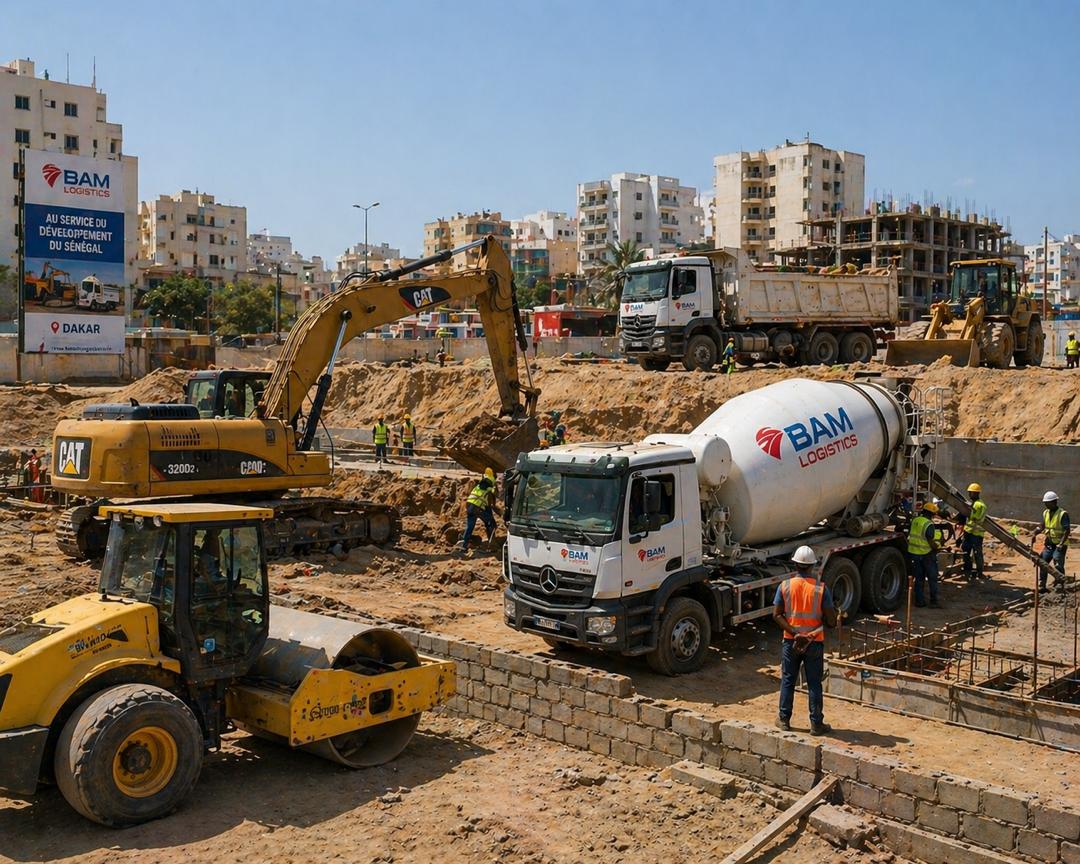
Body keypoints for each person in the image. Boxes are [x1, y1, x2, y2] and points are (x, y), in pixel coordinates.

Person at [773, 546, 837, 735]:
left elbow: (776, 615)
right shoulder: (821, 589)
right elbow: (831, 622)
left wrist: (795, 632)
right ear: (812, 566)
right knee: (814, 683)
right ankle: (816, 724)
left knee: (788, 680)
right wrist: (832, 615)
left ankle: (784, 720)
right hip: (813, 642)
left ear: (795, 564)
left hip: (791, 641)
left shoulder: (785, 586)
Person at [1033, 490, 1070, 592]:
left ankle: (1060, 584)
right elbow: (1042, 526)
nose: (1046, 505)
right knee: (1042, 562)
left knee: (1057, 563)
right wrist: (1035, 532)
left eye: (1047, 503)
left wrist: (1061, 544)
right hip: (1049, 544)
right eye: (1045, 503)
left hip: (1060, 544)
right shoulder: (1046, 513)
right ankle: (1042, 586)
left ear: (1054, 502)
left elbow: (1067, 530)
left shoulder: (1062, 514)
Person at [908, 501, 941, 607]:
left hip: (914, 553)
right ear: (932, 514)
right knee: (932, 578)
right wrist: (937, 547)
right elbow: (930, 540)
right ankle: (934, 602)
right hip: (926, 554)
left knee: (919, 579)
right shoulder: (928, 524)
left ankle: (919, 601)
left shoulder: (915, 520)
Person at [461, 468, 497, 553]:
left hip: (469, 505)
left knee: (470, 526)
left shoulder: (479, 485)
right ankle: (491, 546)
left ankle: (463, 545)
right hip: (476, 507)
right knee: (490, 523)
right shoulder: (489, 487)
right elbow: (493, 497)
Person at [961, 482, 987, 580]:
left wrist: (965, 531)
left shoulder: (978, 505)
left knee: (973, 553)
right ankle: (974, 571)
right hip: (973, 533)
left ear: (976, 493)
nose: (969, 494)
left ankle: (975, 571)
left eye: (971, 492)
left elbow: (974, 519)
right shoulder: (976, 504)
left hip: (974, 533)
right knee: (971, 552)